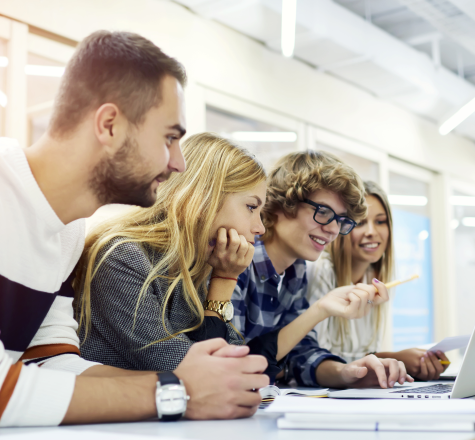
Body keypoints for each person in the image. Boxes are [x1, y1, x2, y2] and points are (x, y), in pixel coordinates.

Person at [0, 30, 267, 427]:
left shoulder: (67, 231)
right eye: (170, 138)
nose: (179, 164)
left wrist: (186, 382)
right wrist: (173, 392)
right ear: (109, 125)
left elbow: (51, 363)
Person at [75, 134, 401, 383]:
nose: (258, 227)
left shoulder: (203, 266)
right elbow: (209, 371)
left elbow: (230, 358)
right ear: (205, 198)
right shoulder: (124, 257)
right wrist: (226, 280)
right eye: (251, 208)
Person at [232, 150, 414, 389]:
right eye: (324, 212)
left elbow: (300, 356)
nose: (333, 230)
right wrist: (319, 310)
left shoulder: (295, 270)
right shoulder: (236, 260)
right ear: (280, 204)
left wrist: (349, 373)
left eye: (341, 220)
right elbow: (233, 364)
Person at [306, 180, 449, 380]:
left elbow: (358, 354)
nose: (372, 231)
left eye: (380, 221)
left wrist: (397, 361)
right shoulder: (319, 270)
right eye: (361, 222)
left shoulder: (374, 280)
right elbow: (313, 358)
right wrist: (393, 358)